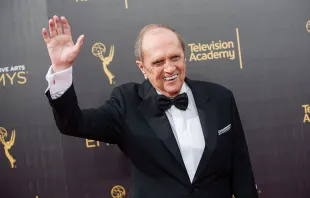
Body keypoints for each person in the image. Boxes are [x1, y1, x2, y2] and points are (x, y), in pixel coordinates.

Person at [42, 15, 258, 198]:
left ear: (185, 56)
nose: (170, 68)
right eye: (158, 62)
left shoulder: (220, 98)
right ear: (142, 67)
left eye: (175, 57)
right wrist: (61, 70)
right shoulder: (127, 103)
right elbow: (73, 123)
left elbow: (241, 170)